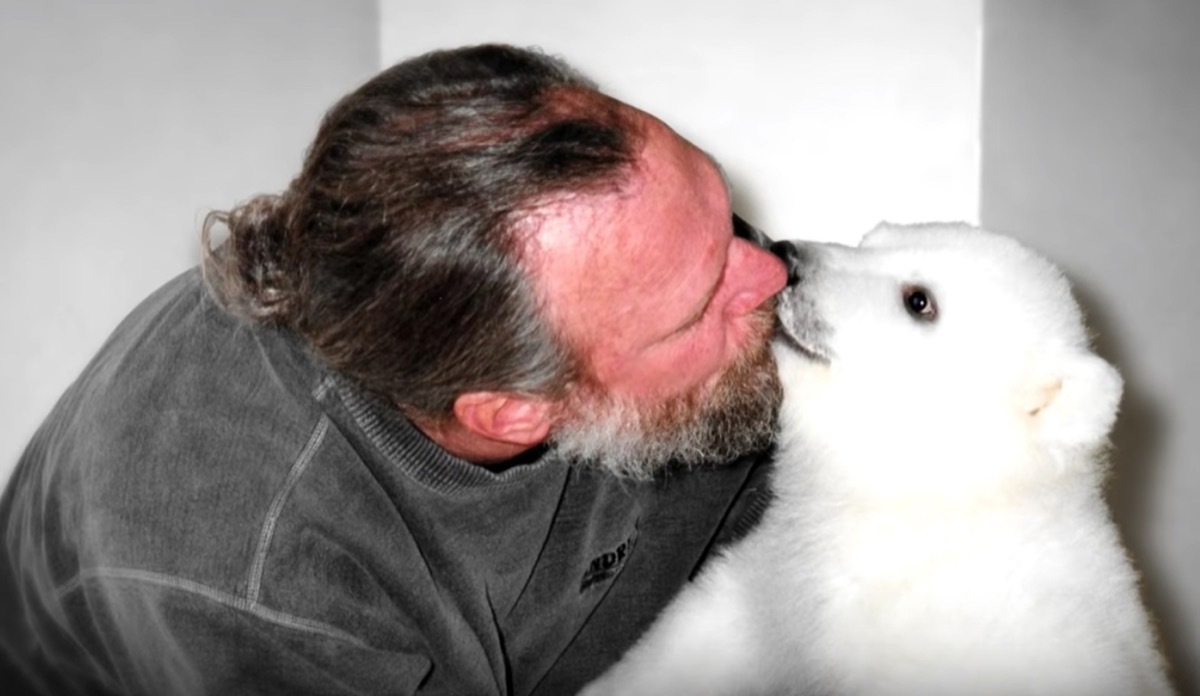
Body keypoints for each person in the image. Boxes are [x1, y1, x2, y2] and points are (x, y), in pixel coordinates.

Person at [0, 44, 788, 695]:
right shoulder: (262, 591)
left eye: (724, 226)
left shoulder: (648, 255)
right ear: (513, 414)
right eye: (699, 307)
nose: (773, 276)